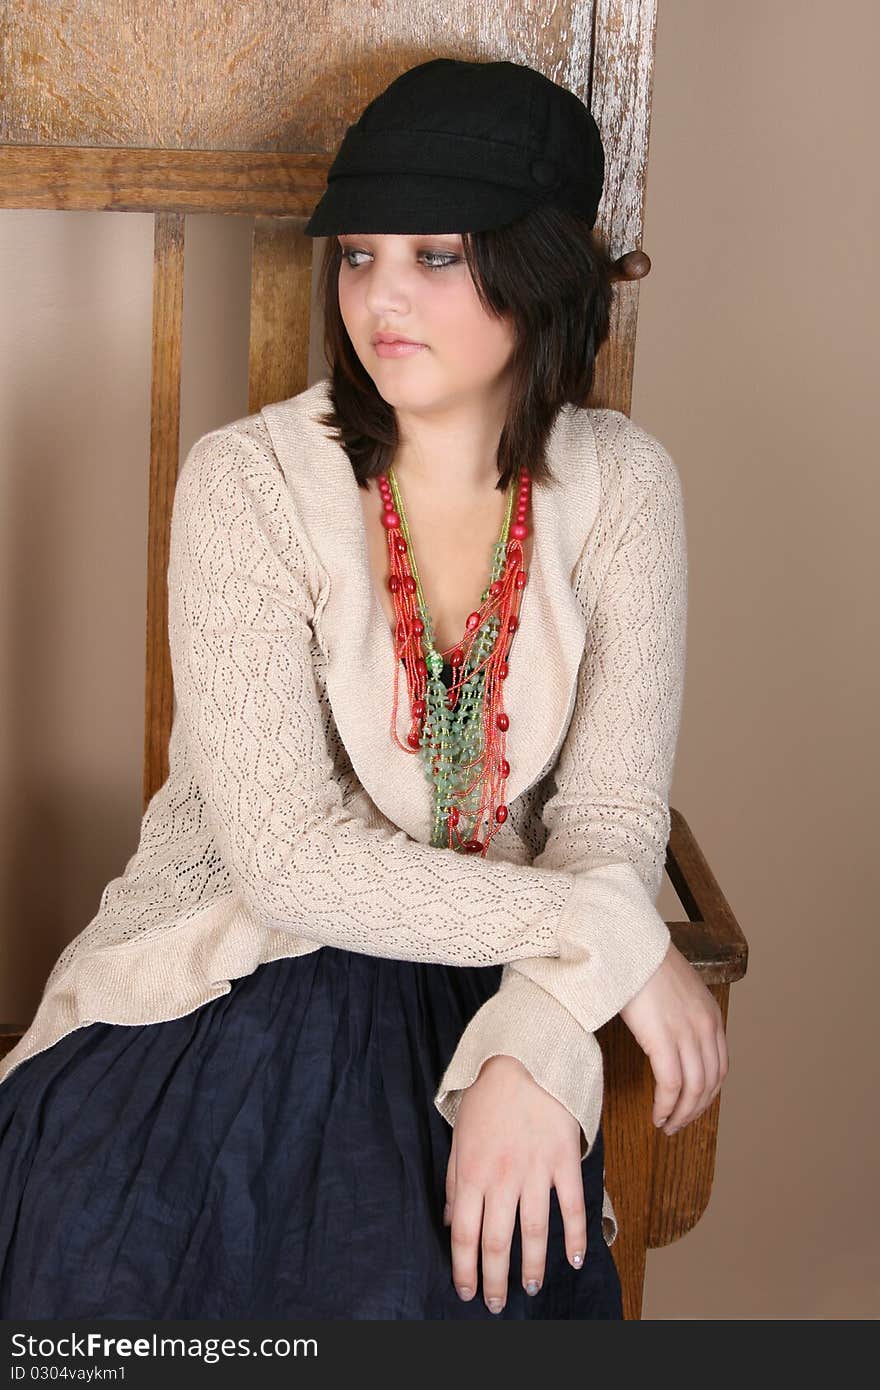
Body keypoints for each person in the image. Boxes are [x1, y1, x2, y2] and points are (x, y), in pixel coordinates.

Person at [0, 57, 726, 1320]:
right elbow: (286, 860)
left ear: (537, 267)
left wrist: (541, 1037)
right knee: (150, 1268)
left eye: (435, 256)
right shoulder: (250, 485)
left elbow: (610, 824)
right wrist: (610, 938)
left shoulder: (626, 488)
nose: (378, 297)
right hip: (237, 969)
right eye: (357, 255)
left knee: (469, 1262)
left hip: (493, 976)